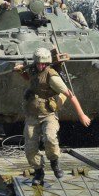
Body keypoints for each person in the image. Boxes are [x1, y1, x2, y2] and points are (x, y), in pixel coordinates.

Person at [13, 47, 92, 184]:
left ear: (47, 63)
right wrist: (20, 72)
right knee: (30, 148)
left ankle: (55, 163)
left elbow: (70, 95)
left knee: (50, 138)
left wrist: (81, 115)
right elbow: (30, 79)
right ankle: (39, 173)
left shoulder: (52, 76)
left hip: (48, 114)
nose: (40, 66)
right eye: (38, 63)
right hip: (32, 115)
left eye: (43, 64)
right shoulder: (33, 70)